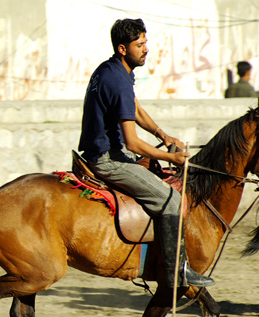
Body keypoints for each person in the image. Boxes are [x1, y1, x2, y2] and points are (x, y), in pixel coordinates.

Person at [78, 18, 214, 289]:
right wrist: (171, 158)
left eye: (145, 43)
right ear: (122, 48)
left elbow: (136, 110)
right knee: (173, 201)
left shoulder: (114, 70)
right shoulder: (116, 80)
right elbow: (132, 143)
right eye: (139, 44)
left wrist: (164, 136)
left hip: (107, 152)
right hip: (108, 160)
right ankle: (176, 272)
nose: (146, 49)